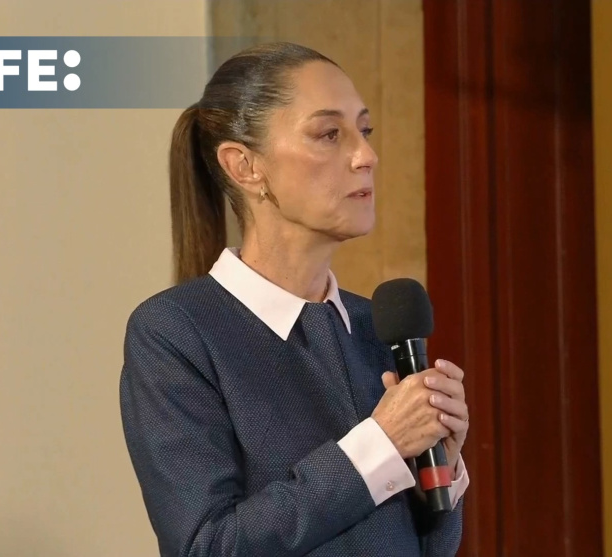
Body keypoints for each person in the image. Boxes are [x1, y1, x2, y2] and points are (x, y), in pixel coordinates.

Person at [118, 42, 470, 556]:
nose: (366, 156)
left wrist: (439, 471)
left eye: (365, 130)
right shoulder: (175, 333)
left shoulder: (374, 326)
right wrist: (380, 444)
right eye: (330, 134)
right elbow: (208, 546)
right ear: (244, 166)